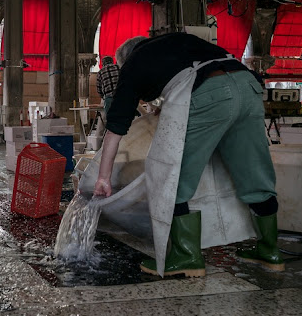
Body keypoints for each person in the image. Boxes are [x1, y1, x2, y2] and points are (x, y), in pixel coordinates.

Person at [94, 33, 284, 277]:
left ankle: (186, 257)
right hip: (248, 87)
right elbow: (188, 72)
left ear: (124, 60)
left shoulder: (133, 63)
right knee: (255, 174)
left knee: (170, 176)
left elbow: (117, 126)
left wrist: (103, 176)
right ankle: (269, 251)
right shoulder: (175, 40)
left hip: (210, 94)